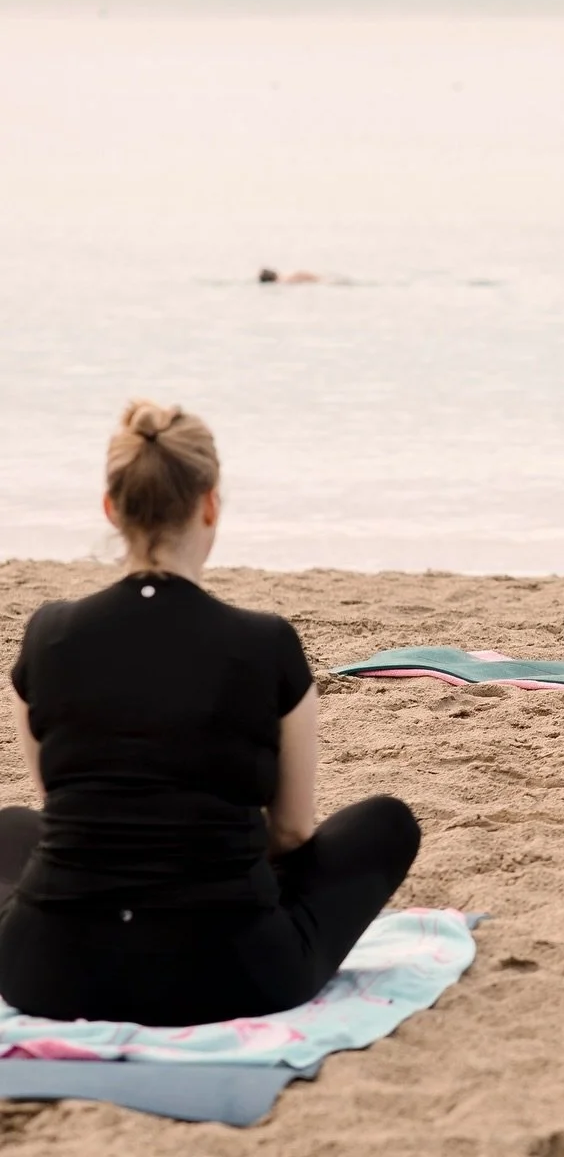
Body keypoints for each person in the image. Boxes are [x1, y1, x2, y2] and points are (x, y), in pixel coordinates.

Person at [0, 401, 421, 1026]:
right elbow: (292, 834)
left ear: (111, 507)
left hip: (49, 972)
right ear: (210, 504)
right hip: (232, 973)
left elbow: (64, 804)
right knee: (387, 823)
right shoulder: (266, 642)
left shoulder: (47, 635)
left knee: (13, 824)